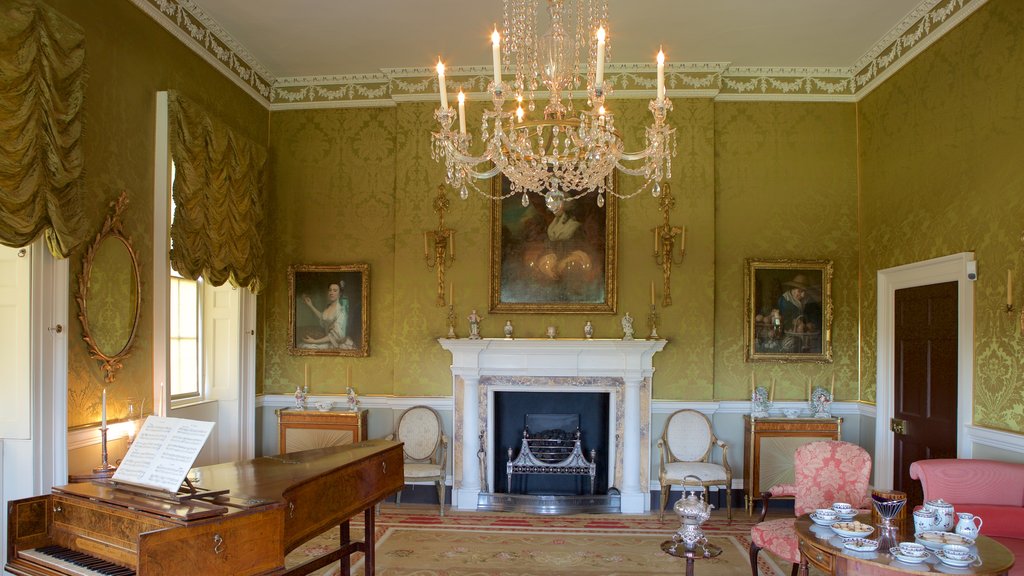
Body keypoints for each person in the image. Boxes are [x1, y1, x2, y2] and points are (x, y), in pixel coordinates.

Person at [299, 280, 354, 349]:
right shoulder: (328, 307)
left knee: (307, 346)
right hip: (327, 339)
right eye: (330, 290)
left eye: (335, 290)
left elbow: (336, 336)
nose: (331, 293)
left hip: (336, 343)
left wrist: (314, 341)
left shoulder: (341, 311)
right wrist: (310, 305)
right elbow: (323, 318)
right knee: (302, 345)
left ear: (339, 294)